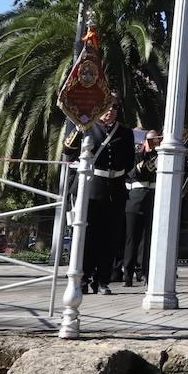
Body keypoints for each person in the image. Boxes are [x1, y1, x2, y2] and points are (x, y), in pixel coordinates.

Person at [62, 96, 135, 295]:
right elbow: (67, 150)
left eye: (114, 108)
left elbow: (129, 162)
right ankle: (83, 278)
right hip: (91, 187)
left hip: (115, 189)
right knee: (88, 236)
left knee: (110, 237)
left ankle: (103, 280)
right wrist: (78, 129)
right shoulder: (87, 128)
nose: (110, 111)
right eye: (106, 107)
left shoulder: (125, 132)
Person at [122, 129, 160, 287]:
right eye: (150, 140)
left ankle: (144, 273)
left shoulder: (162, 157)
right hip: (135, 198)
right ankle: (128, 274)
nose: (153, 143)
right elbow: (134, 173)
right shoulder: (137, 154)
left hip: (153, 198)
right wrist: (146, 157)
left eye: (156, 139)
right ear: (144, 141)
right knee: (132, 238)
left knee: (148, 239)